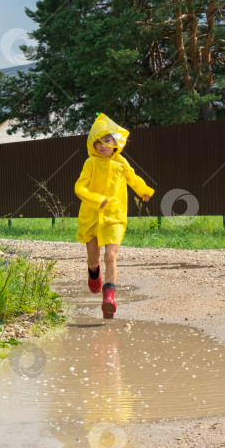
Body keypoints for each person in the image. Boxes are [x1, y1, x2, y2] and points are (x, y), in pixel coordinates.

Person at [74, 113, 154, 319]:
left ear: (115, 142)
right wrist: (95, 198)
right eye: (98, 141)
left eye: (107, 140)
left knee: (110, 256)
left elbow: (132, 178)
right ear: (92, 143)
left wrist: (144, 190)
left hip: (115, 216)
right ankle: (94, 272)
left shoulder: (121, 162)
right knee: (94, 260)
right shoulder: (90, 163)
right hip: (91, 216)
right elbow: (79, 187)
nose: (102, 145)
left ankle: (109, 298)